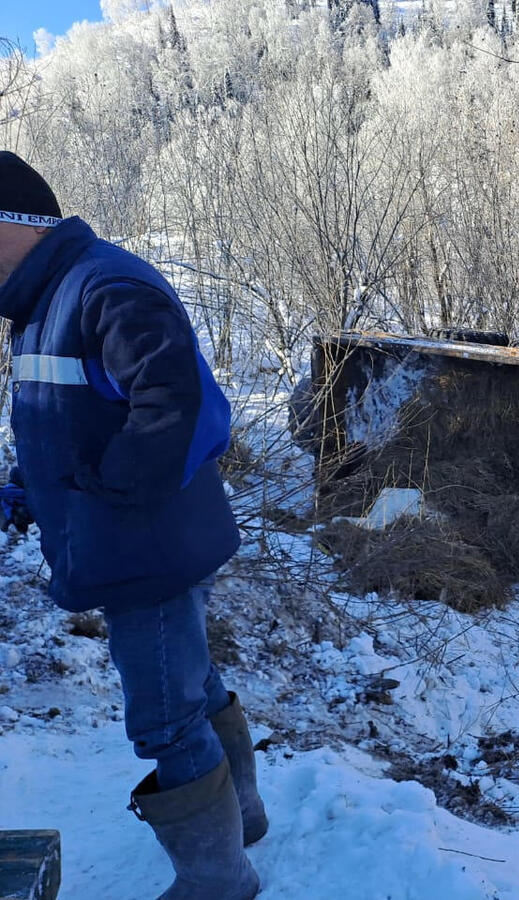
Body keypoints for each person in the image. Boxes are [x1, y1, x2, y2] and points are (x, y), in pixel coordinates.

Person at [0, 151, 264, 900]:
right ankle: (241, 823)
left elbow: (177, 402)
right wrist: (32, 491)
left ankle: (218, 883)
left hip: (145, 548)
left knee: (166, 718)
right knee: (193, 682)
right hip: (140, 539)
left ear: (17, 223)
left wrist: (112, 490)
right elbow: (75, 421)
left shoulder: (101, 288)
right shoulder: (49, 299)